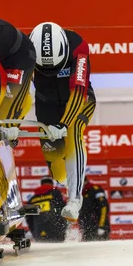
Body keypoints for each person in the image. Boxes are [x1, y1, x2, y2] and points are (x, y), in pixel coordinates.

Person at [29, 22, 96, 221]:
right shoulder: (26, 51)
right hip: (46, 105)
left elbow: (78, 92)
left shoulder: (78, 47)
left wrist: (64, 124)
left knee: (74, 130)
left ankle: (75, 199)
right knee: (56, 163)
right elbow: (19, 90)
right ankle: (64, 178)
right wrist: (11, 126)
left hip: (78, 99)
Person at [26, 177, 67, 242]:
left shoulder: (32, 200)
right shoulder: (56, 193)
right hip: (55, 229)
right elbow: (63, 210)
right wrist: (64, 228)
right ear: (52, 184)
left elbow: (29, 219)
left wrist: (34, 233)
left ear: (41, 184)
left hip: (39, 230)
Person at [78, 176, 110, 241]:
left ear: (85, 181)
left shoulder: (95, 190)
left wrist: (102, 226)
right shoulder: (80, 194)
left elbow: (103, 207)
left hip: (99, 226)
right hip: (87, 229)